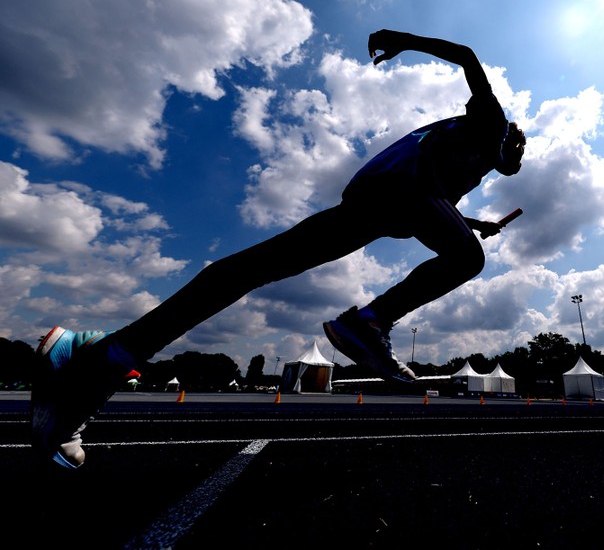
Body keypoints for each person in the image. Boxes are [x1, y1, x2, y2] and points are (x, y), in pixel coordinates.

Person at [31, 29, 526, 469]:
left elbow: (432, 199)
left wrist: (471, 221)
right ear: (509, 140)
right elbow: (466, 55)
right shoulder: (493, 125)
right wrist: (402, 40)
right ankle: (369, 322)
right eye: (518, 150)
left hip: (374, 205)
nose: (515, 159)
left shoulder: (464, 166)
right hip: (394, 193)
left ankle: (99, 356)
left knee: (250, 270)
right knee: (466, 260)